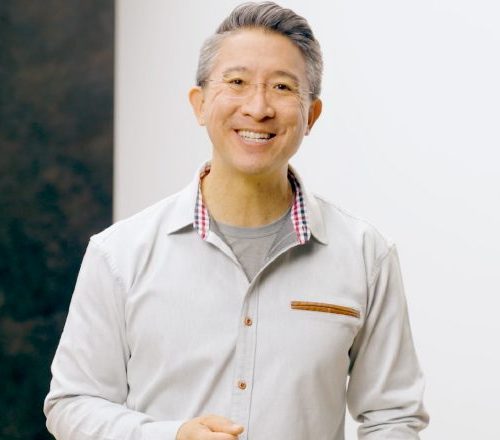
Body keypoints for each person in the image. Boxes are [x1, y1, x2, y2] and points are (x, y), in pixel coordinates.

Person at [44, 2, 429, 439]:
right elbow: (72, 404)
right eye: (237, 82)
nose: (258, 107)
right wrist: (170, 436)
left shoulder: (365, 255)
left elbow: (393, 417)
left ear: (311, 116)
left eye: (282, 87)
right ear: (200, 104)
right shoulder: (119, 254)